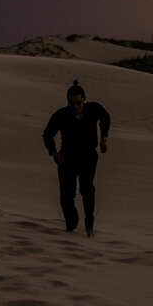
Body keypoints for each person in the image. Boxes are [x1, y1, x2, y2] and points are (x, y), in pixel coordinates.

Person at [42, 80, 110, 236]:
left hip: (88, 156)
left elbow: (105, 117)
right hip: (67, 157)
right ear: (67, 101)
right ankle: (71, 224)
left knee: (86, 190)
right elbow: (47, 134)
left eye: (79, 102)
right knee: (66, 194)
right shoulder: (61, 114)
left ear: (84, 98)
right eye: (72, 103)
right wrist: (54, 154)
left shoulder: (93, 109)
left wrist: (104, 138)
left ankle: (89, 226)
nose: (76, 106)